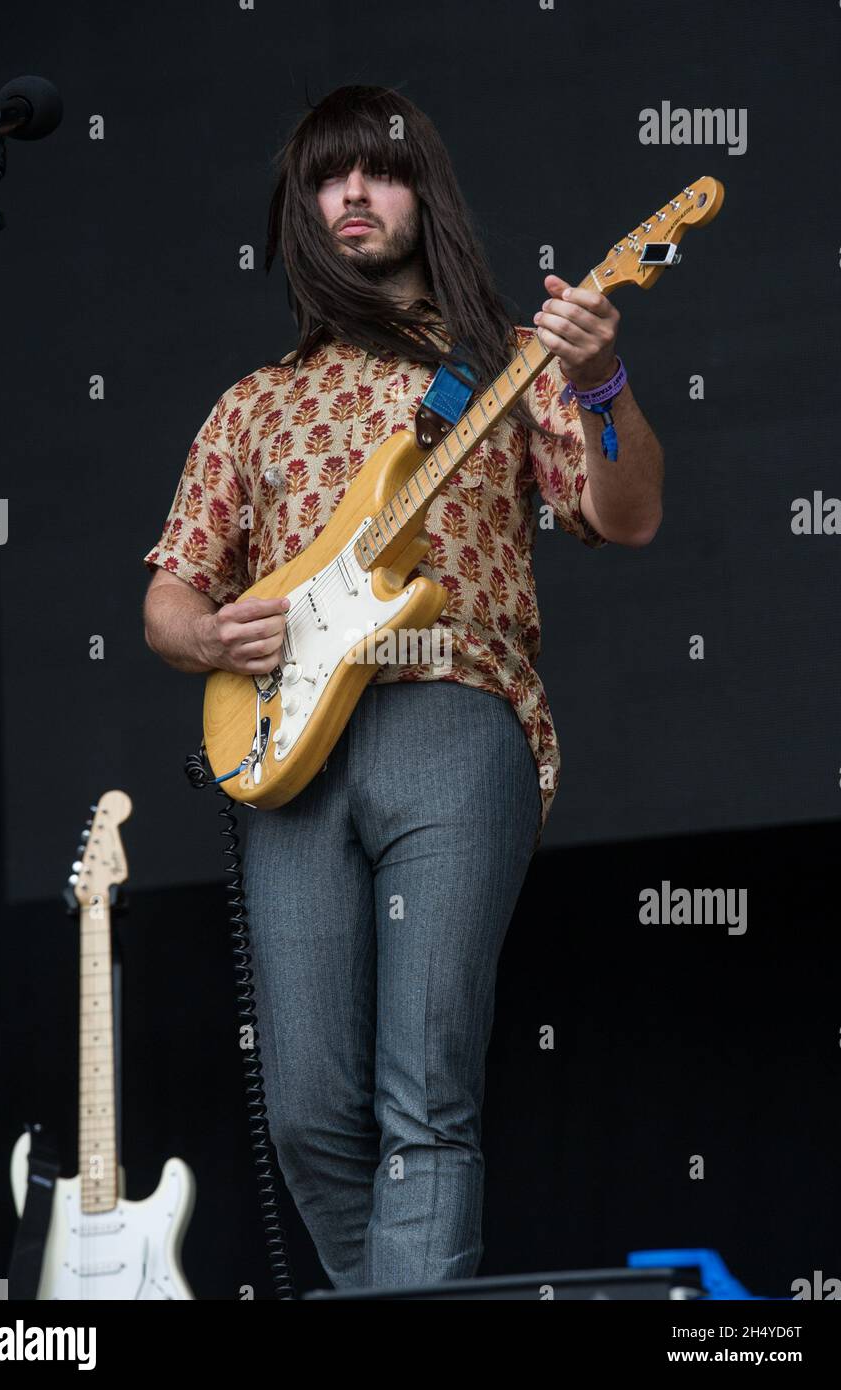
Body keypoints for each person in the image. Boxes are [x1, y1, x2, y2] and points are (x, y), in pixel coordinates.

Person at [142, 85, 663, 1291]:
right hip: (288, 753)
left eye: (376, 173)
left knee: (423, 1095)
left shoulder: (501, 368)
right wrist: (217, 638)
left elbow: (620, 516)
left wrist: (604, 382)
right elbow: (169, 594)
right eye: (327, 180)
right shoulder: (252, 404)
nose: (352, 196)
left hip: (450, 712)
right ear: (302, 210)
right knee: (307, 1117)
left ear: (421, 192)